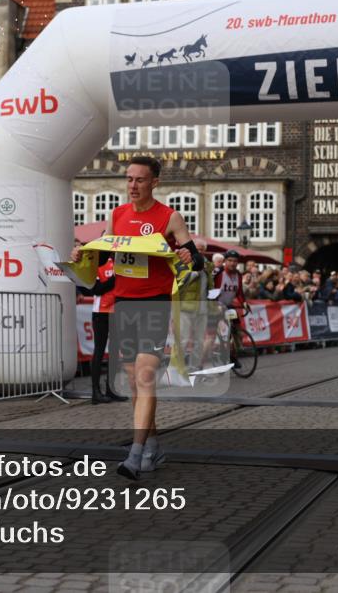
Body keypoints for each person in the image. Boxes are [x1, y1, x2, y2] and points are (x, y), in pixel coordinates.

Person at [70, 156, 202, 480]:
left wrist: (190, 255)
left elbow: (197, 260)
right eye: (129, 179)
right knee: (133, 382)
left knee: (144, 377)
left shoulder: (170, 217)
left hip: (155, 304)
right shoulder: (117, 215)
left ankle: (135, 453)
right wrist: (82, 253)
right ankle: (153, 445)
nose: (132, 185)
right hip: (124, 304)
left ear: (154, 182)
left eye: (140, 180)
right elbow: (105, 252)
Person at [86, 257, 126, 404]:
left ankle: (111, 389)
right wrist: (115, 279)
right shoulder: (97, 264)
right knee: (99, 350)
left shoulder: (119, 263)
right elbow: (96, 289)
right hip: (101, 312)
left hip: (117, 311)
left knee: (114, 351)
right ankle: (95, 392)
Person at [176, 239, 213, 371]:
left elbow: (210, 285)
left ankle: (195, 367)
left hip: (202, 308)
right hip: (185, 307)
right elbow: (178, 283)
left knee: (199, 340)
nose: (199, 252)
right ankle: (178, 367)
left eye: (202, 249)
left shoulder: (208, 265)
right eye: (197, 249)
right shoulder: (183, 263)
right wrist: (194, 274)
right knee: (183, 339)